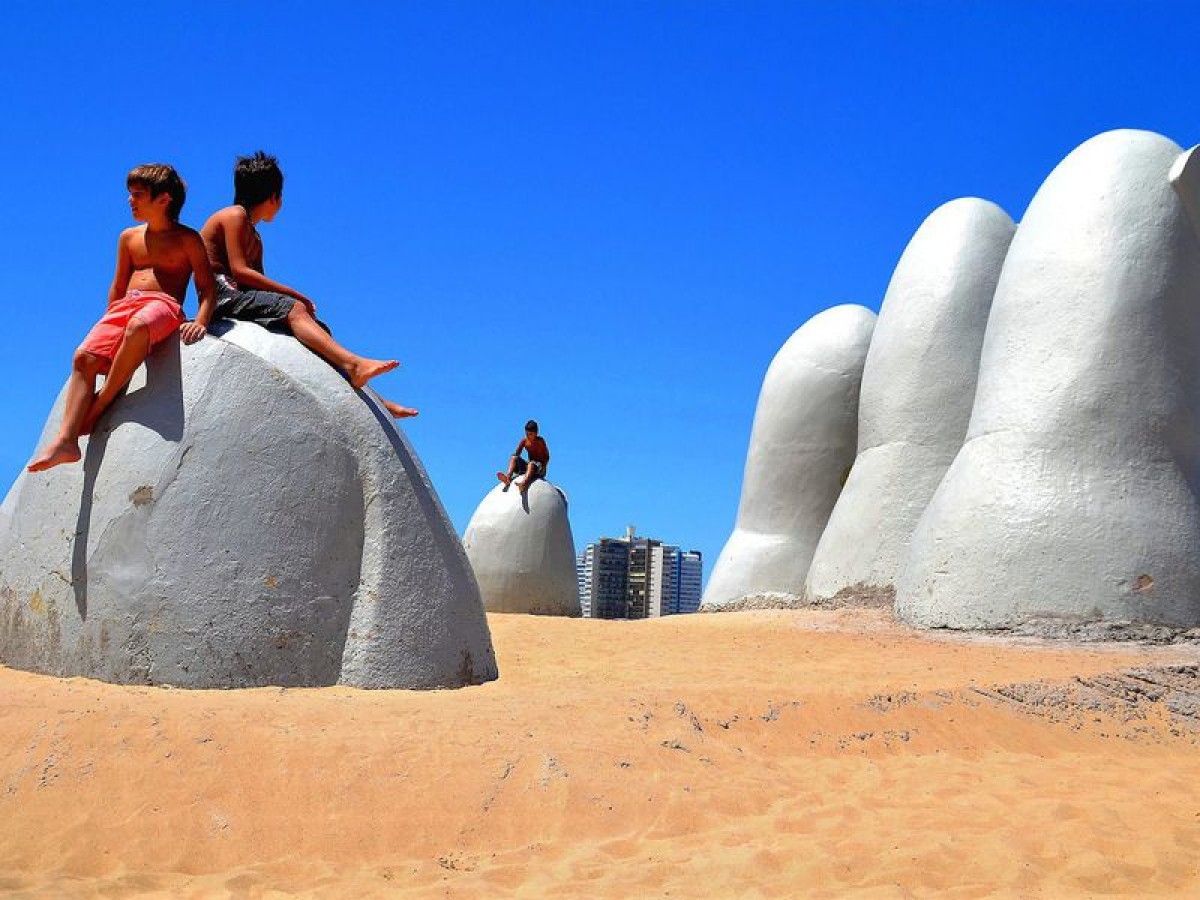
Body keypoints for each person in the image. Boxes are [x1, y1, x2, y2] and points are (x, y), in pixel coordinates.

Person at [27, 164, 216, 472]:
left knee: (139, 326)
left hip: (164, 306)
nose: (130, 201)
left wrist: (201, 322)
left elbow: (207, 289)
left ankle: (99, 405)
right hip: (125, 307)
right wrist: (107, 332)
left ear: (163, 199)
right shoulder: (129, 238)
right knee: (83, 358)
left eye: (138, 195)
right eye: (130, 194)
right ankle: (66, 440)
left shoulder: (187, 239)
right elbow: (117, 287)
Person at [199, 151, 417, 418]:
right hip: (223, 296)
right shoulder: (234, 215)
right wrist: (294, 295)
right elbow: (240, 271)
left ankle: (375, 398)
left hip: (239, 297)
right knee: (294, 309)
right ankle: (355, 364)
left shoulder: (255, 237)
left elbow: (256, 287)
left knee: (318, 330)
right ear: (274, 197)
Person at [497, 420, 550, 493]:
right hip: (530, 467)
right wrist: (516, 461)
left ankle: (523, 484)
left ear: (536, 433)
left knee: (531, 464)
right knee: (513, 457)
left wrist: (544, 467)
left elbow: (547, 456)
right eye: (526, 434)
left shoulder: (540, 441)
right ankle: (508, 478)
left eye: (530, 434)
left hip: (539, 468)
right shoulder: (524, 441)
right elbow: (517, 454)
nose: (528, 436)